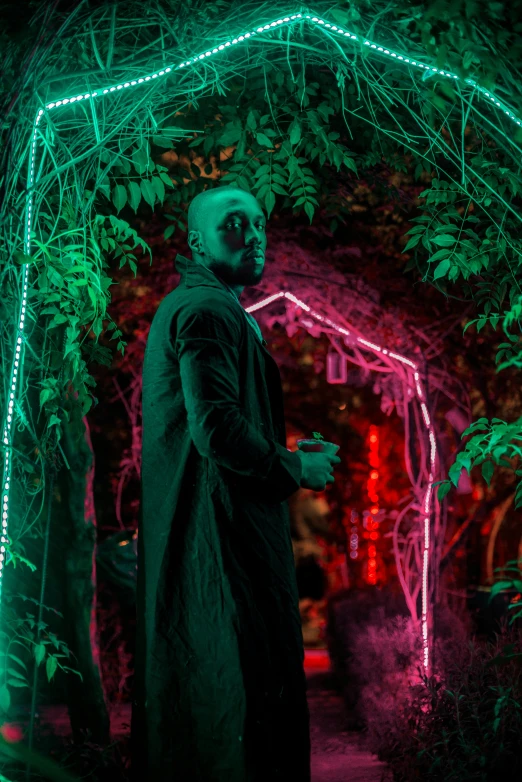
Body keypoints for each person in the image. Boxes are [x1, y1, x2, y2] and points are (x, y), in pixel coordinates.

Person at [130, 184, 341, 782]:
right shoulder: (205, 310)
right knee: (235, 705)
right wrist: (295, 468)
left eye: (259, 223)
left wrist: (287, 453)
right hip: (217, 547)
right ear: (196, 240)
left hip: (218, 537)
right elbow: (217, 428)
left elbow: (222, 419)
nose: (252, 235)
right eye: (233, 224)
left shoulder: (215, 307)